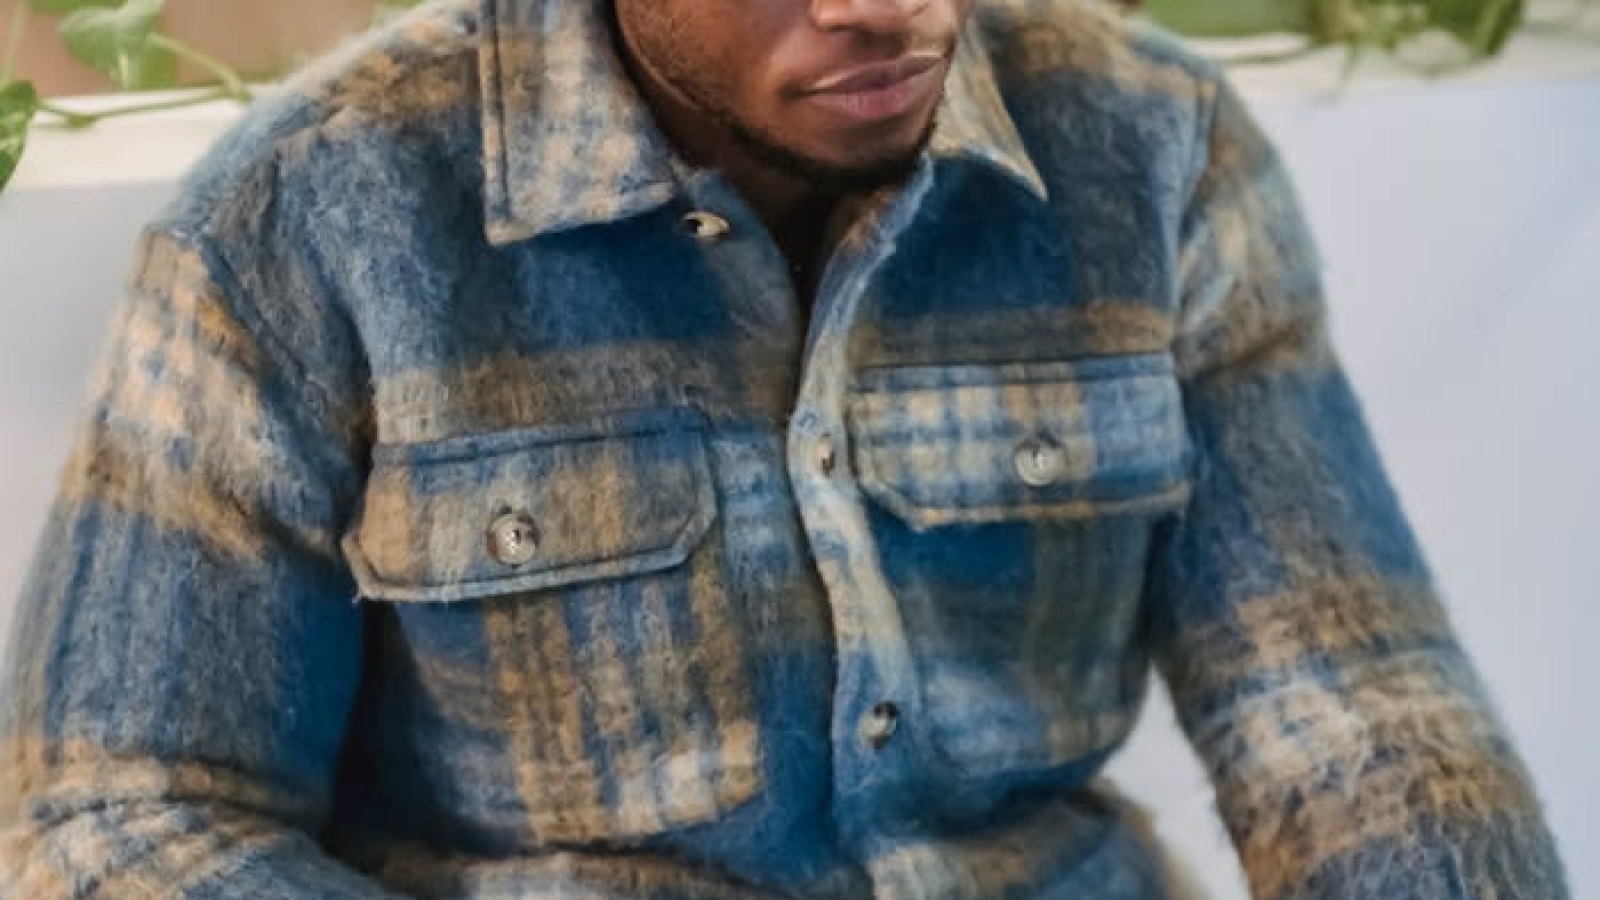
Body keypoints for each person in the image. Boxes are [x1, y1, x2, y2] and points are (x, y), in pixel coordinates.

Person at [0, 0, 1569, 897]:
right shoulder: (308, 219)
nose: (888, 12)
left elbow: (1350, 704)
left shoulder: (1155, 148)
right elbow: (118, 816)